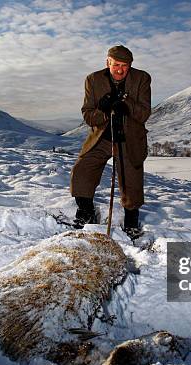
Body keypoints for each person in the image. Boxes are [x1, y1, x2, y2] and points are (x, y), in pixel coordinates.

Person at [70, 45, 151, 237]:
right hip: (102, 137)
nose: (120, 69)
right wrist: (104, 109)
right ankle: (86, 212)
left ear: (131, 65)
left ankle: (131, 221)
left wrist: (126, 104)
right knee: (82, 169)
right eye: (116, 65)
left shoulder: (142, 79)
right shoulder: (93, 80)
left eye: (125, 65)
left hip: (129, 138)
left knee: (131, 180)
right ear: (108, 62)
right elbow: (88, 116)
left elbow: (144, 114)